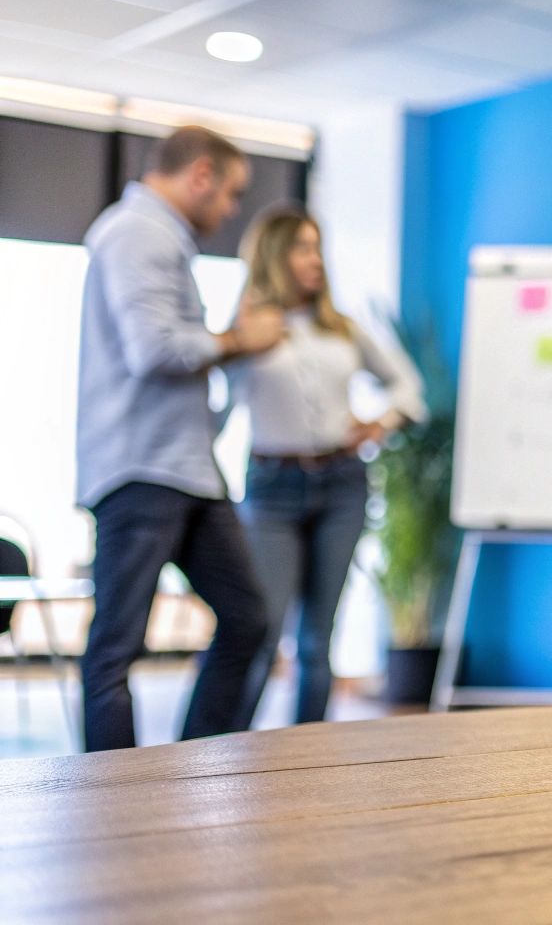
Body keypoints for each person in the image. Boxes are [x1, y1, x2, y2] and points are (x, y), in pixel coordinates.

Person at [76, 125, 282, 751]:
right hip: (141, 471)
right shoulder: (137, 232)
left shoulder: (161, 237)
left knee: (247, 620)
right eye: (231, 193)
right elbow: (154, 349)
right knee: (116, 648)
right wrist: (237, 340)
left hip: (189, 469)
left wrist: (230, 347)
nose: (232, 209)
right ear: (201, 176)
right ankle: (115, 790)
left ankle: (192, 764)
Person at [228, 207, 426, 724]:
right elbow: (216, 405)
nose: (316, 260)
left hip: (342, 484)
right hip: (271, 487)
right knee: (263, 629)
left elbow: (407, 385)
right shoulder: (249, 332)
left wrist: (382, 421)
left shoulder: (343, 330)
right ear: (274, 255)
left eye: (317, 248)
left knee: (318, 637)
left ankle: (307, 753)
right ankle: (227, 746)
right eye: (302, 248)